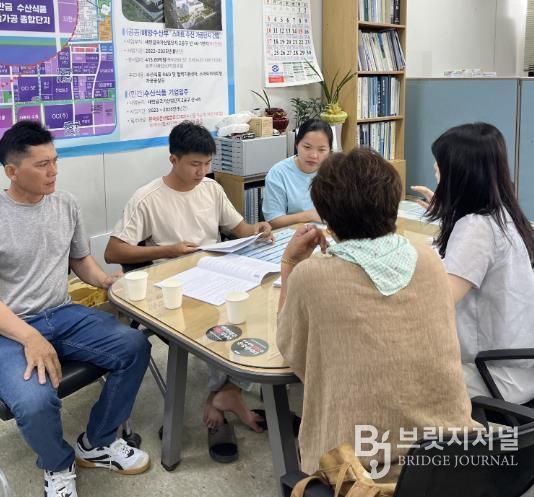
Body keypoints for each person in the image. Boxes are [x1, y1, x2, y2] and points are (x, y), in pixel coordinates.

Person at [276, 147, 479, 480]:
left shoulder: (312, 276)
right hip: (454, 458)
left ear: (327, 218)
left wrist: (290, 263)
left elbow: (292, 352)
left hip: (362, 473)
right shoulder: (428, 259)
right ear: (392, 205)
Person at [104, 121, 273, 462]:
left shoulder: (211, 189)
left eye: (207, 164)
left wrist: (258, 230)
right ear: (173, 160)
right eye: (195, 164)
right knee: (218, 325)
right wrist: (168, 250)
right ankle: (223, 399)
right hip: (173, 285)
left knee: (261, 310)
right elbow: (113, 252)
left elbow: (238, 228)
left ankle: (224, 394)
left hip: (215, 273)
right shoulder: (147, 198)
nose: (202, 172)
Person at [0, 121, 151, 497]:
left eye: (55, 161)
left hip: (62, 313)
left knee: (135, 346)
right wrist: (30, 337)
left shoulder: (65, 203)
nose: (53, 171)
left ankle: (97, 442)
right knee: (34, 402)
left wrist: (105, 281)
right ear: (12, 171)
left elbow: (79, 259)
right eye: (42, 164)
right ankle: (57, 464)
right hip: (11, 327)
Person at [412, 122, 534, 404]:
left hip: (495, 377)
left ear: (461, 175)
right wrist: (448, 212)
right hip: (517, 367)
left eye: (440, 167)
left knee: (395, 371)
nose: (435, 170)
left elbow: (438, 301)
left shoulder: (476, 228)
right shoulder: (502, 214)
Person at [262, 118, 332, 229]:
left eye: (321, 150)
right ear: (296, 145)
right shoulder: (278, 173)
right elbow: (273, 221)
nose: (313, 155)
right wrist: (309, 215)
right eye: (307, 147)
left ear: (329, 151)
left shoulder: (334, 172)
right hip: (292, 234)